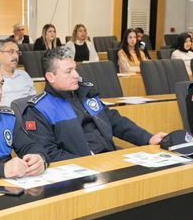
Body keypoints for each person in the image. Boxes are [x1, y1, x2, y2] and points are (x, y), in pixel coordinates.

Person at [14, 47, 166, 162]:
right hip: (82, 168)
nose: (76, 75)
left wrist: (148, 138)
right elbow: (48, 153)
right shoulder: (39, 109)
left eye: (75, 69)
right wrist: (88, 161)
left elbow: (114, 121)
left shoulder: (85, 93)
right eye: (69, 72)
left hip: (107, 159)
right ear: (50, 77)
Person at [0, 39, 36, 106]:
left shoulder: (24, 75)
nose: (16, 56)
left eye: (17, 52)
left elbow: (33, 100)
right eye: (11, 52)